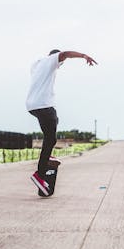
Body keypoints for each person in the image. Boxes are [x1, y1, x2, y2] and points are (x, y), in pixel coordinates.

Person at [26, 49, 97, 195]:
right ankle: (40, 174)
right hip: (44, 105)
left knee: (52, 127)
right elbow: (65, 53)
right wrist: (83, 55)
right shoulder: (52, 60)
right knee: (51, 138)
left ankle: (47, 156)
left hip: (32, 106)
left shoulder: (37, 64)